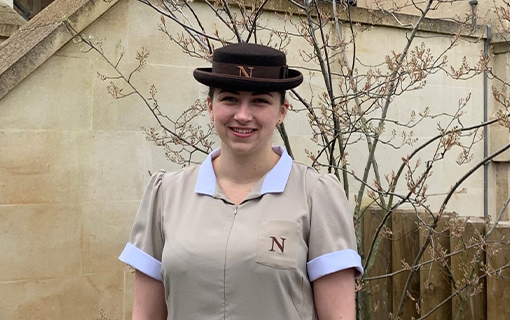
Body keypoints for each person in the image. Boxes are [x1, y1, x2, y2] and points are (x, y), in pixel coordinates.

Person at [119, 42, 363, 320]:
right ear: (210, 107)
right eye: (230, 99)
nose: (243, 115)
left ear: (282, 111)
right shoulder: (166, 195)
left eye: (260, 100)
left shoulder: (316, 195)